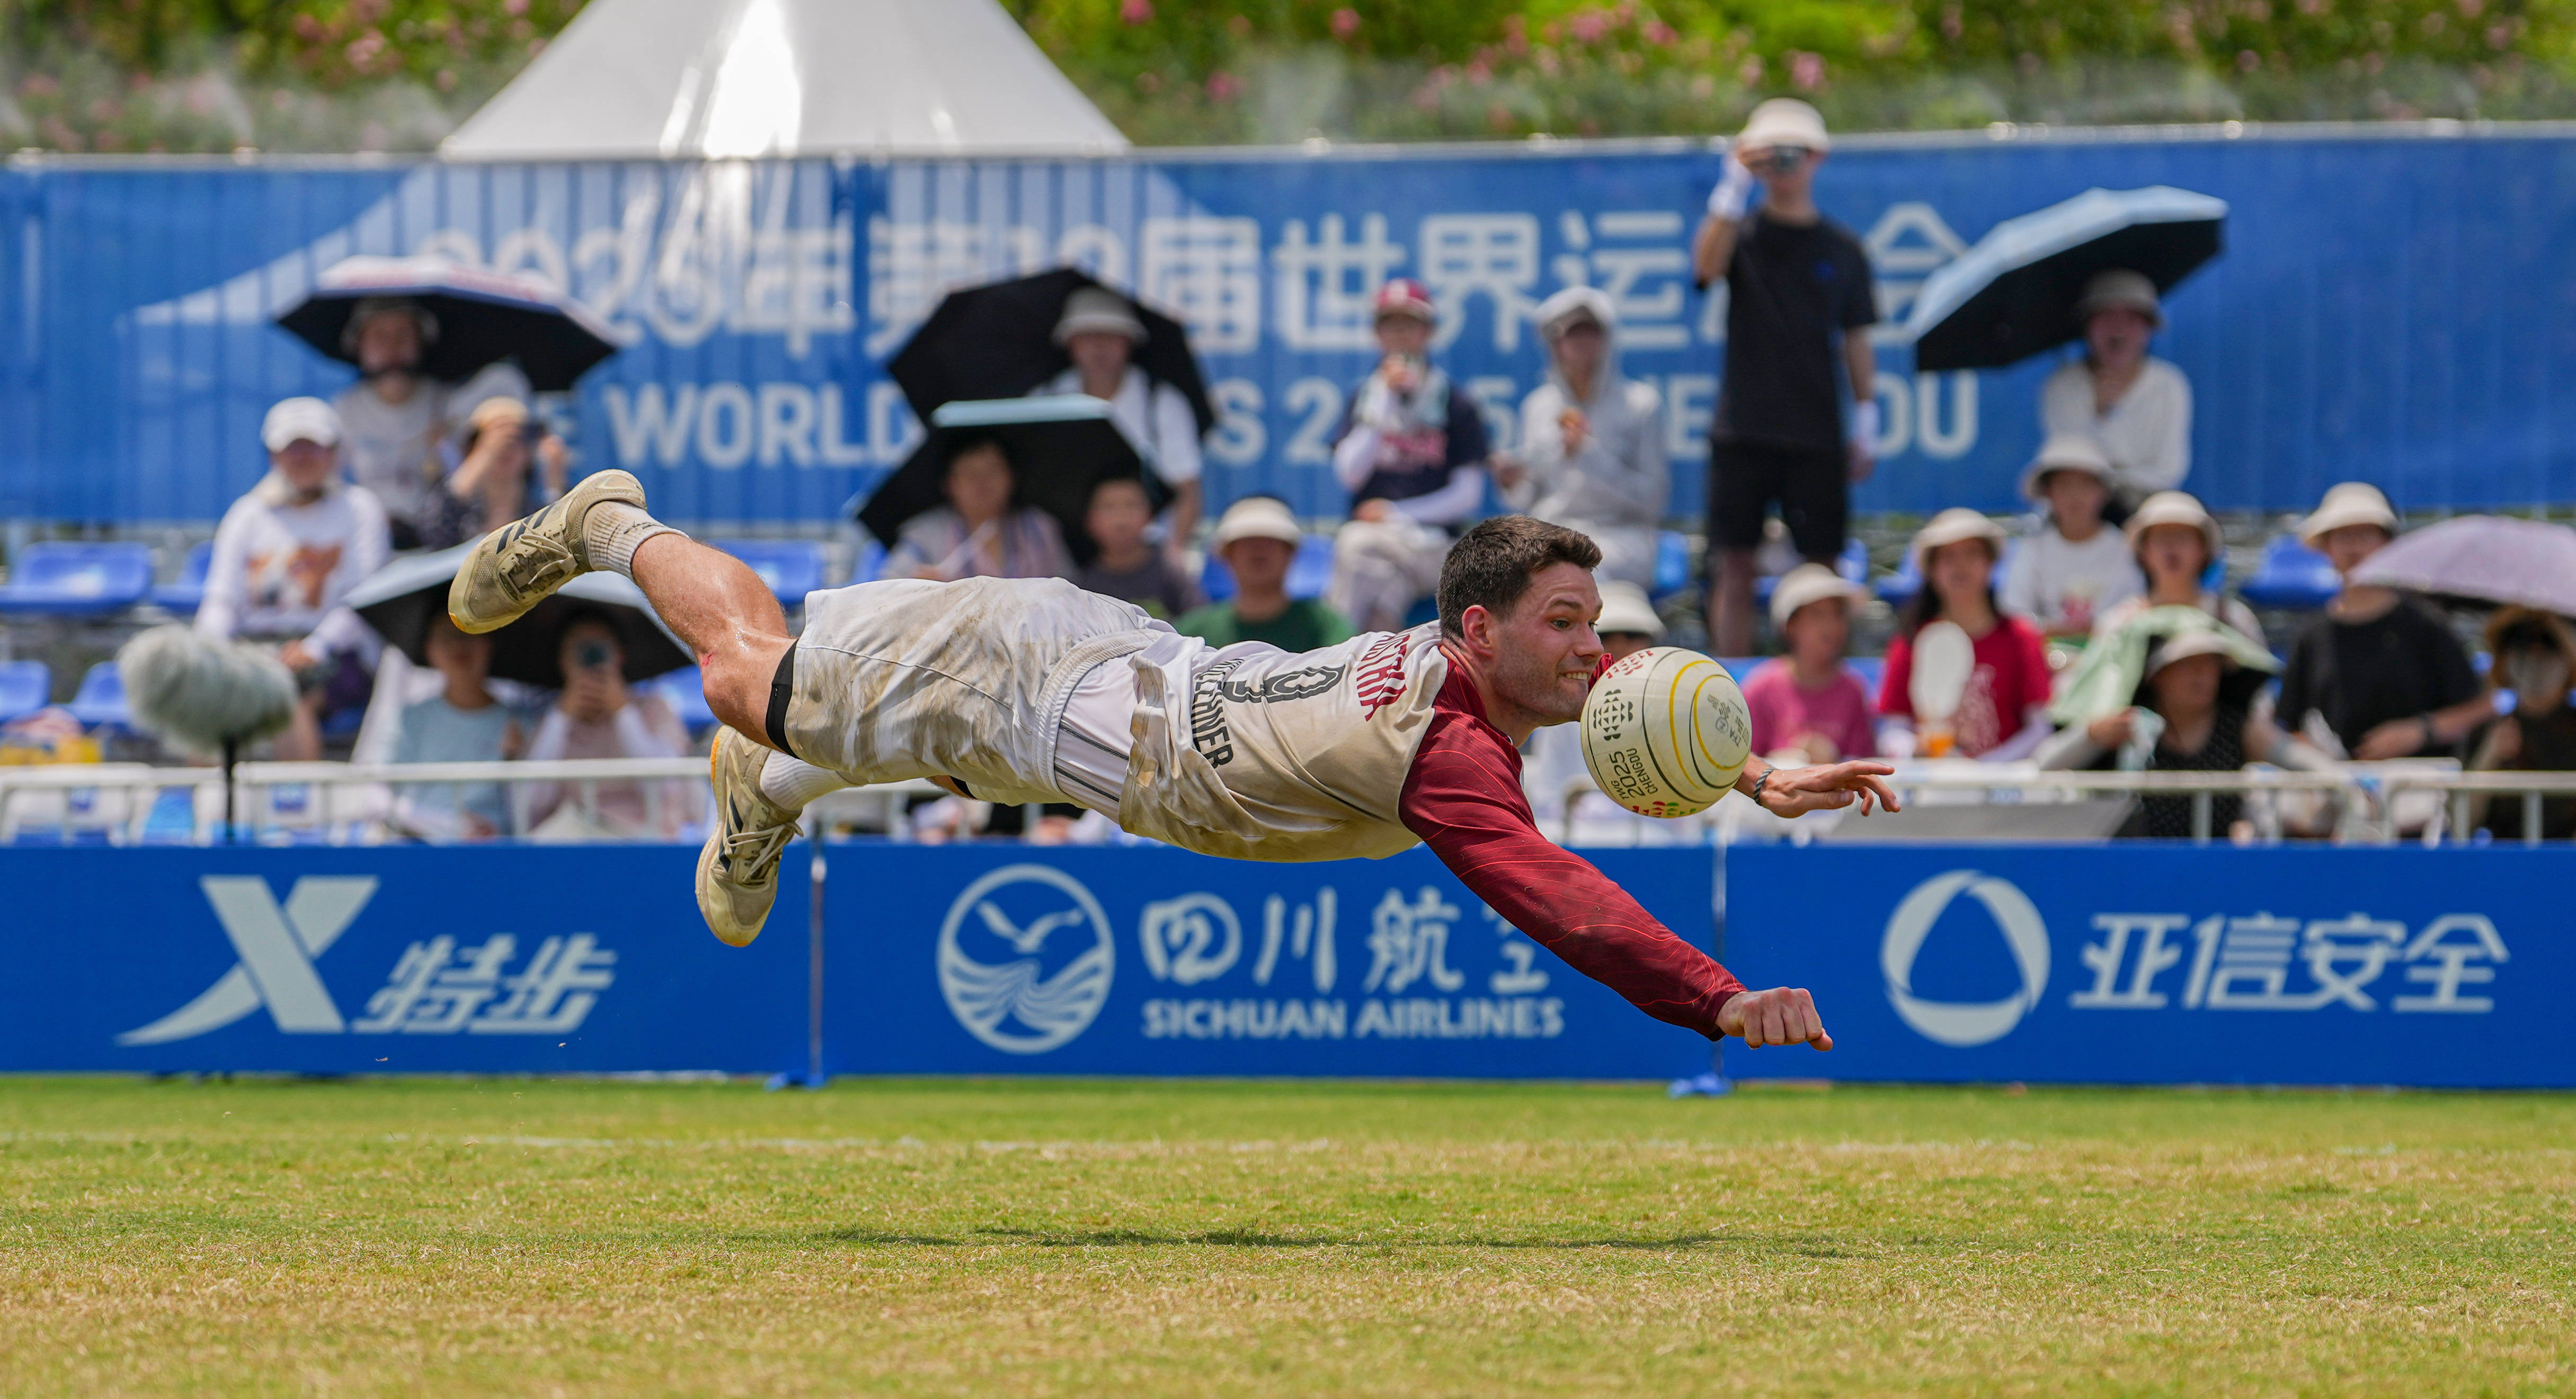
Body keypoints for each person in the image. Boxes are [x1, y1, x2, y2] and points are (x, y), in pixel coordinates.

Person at [451, 480, 1902, 1053]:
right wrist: (1713, 994)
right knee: (746, 677)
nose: (1596, 651)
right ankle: (606, 529)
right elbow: (1552, 892)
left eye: (1598, 625)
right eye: (1567, 622)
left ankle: (758, 797)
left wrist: (1750, 774)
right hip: (1041, 686)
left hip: (1103, 664)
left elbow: (1617, 717)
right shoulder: (1445, 752)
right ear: (1478, 628)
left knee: (826, 731)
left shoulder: (1476, 683)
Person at [1690, 99, 1880, 657]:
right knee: (1733, 561)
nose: (1784, 164)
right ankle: (1731, 687)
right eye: (1771, 154)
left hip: (1815, 427)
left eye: (1793, 152)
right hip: (1742, 426)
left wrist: (1865, 421)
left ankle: (1818, 683)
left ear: (1818, 157)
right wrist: (1732, 183)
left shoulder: (1842, 249)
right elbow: (1704, 266)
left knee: (1820, 565)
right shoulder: (1740, 234)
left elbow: (1856, 338)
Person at [198, 397, 392, 760]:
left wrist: (314, 648)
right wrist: (210, 652)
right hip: (254, 647)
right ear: (274, 456)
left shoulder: (360, 509)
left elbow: (362, 599)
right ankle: (205, 808)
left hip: (335, 654)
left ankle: (297, 813)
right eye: (292, 448)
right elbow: (222, 599)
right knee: (203, 703)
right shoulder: (246, 514)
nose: (302, 458)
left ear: (334, 453)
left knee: (287, 700)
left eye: (313, 447)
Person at [2033, 624, 2309, 839]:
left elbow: (2305, 763)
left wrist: (2347, 776)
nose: (2201, 674)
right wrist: (2090, 736)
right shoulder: (2128, 724)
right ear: (2157, 675)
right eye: (2187, 664)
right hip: (2138, 875)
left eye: (2210, 664)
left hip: (2213, 874)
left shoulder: (2240, 729)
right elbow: (2045, 765)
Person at [1327, 279, 1491, 634]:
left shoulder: (1455, 401)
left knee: (1357, 545)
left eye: (1410, 324)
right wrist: (1383, 400)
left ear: (1428, 332)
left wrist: (1395, 514)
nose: (1400, 334)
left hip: (1437, 546)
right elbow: (1350, 474)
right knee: (1382, 593)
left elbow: (1468, 496)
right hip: (1384, 553)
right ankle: (1382, 681)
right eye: (1390, 324)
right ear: (1377, 333)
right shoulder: (1365, 397)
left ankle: (1330, 664)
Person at [2279, 482, 2488, 760]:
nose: (2353, 546)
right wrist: (2322, 764)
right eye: (2343, 535)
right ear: (2327, 547)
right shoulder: (2310, 636)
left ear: (2387, 543)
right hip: (2333, 792)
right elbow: (2291, 722)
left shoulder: (2426, 625)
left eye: (2365, 534)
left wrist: (2419, 732)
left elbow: (2479, 706)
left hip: (2417, 789)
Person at [1493, 286, 1667, 589]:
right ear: (1555, 343)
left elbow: (1652, 500)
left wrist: (1588, 454)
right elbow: (1529, 498)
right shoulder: (1538, 406)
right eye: (1570, 333)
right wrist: (1512, 482)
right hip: (1550, 533)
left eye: (1590, 332)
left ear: (1606, 340)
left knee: (1585, 572)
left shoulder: (1642, 404)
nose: (1580, 343)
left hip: (1622, 537)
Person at [1875, 509, 2053, 760]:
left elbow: (2039, 729)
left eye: (1972, 554)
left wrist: (1989, 768)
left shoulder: (2021, 637)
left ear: (1991, 564)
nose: (1961, 566)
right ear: (1932, 570)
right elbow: (1893, 729)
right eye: (1949, 556)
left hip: (2006, 789)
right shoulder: (1910, 641)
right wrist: (1914, 749)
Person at [1035, 287, 1203, 551]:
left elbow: (1187, 491)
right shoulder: (1045, 399)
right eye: (1089, 337)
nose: (1100, 347)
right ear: (1070, 343)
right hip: (1062, 551)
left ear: (1129, 343)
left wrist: (1174, 555)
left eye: (1111, 336)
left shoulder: (1161, 402)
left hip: (1148, 550)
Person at [517, 612, 692, 840]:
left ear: (620, 654)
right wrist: (560, 718)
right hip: (570, 843)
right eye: (579, 649)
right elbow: (531, 801)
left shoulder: (655, 709)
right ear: (562, 660)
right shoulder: (548, 720)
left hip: (641, 841)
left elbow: (666, 789)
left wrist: (623, 712)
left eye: (599, 649)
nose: (590, 658)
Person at [1516, 580, 1668, 837]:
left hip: (1660, 840)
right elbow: (1549, 798)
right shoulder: (1562, 714)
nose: (1620, 646)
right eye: (1608, 635)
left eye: (1631, 635)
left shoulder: (1677, 710)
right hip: (1577, 839)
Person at [2038, 270, 2192, 517]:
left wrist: (2112, 485)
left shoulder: (2170, 384)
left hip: (2146, 510)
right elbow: (2066, 466)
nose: (2118, 328)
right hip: (2078, 515)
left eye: (2131, 318)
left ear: (2148, 328)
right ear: (2087, 326)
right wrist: (2101, 411)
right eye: (2107, 316)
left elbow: (2168, 471)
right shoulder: (2061, 385)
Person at [385, 615, 521, 840]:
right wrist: (442, 823)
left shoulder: (519, 722)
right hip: (421, 846)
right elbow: (379, 790)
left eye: (470, 632)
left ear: (488, 643)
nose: (458, 646)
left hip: (494, 853)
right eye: (447, 637)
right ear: (429, 649)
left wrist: (520, 756)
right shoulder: (410, 718)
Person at [328, 297, 450, 548]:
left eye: (403, 335)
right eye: (380, 336)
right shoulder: (343, 410)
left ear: (421, 341)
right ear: (358, 345)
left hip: (439, 542)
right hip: (366, 541)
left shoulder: (447, 402)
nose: (392, 346)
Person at [2001, 434, 2144, 639]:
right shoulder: (2033, 549)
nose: (2075, 496)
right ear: (2048, 493)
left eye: (2085, 485)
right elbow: (2015, 612)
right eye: (2065, 485)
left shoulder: (2124, 548)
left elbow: (2134, 609)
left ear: (2103, 492)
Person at [880, 433, 1075, 582]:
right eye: (970, 473)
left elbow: (1071, 590)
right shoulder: (925, 536)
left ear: (1011, 477)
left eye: (992, 470)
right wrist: (915, 587)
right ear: (950, 485)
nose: (982, 482)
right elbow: (886, 591)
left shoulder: (1041, 528)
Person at [1176, 497, 1354, 652]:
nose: (1258, 549)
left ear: (1290, 553)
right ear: (1227, 555)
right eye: (1247, 541)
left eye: (1270, 541)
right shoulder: (1193, 633)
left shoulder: (1325, 625)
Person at [1742, 563, 1876, 764]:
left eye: (1837, 614)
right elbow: (1743, 766)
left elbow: (1865, 760)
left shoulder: (1854, 690)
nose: (1831, 625)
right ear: (1791, 625)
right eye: (1817, 614)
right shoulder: (1761, 689)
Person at [2093, 490, 2263, 645]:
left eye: (2182, 538)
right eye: (2162, 539)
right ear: (2143, 552)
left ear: (2204, 550)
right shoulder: (2117, 625)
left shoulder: (2234, 620)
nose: (2172, 548)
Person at [2469, 606, 2576, 839]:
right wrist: (2490, 757)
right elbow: (2463, 820)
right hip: (2508, 861)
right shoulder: (2491, 730)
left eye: (2547, 649)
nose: (2534, 660)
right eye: (2521, 650)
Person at [417, 394, 572, 551]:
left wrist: (554, 478)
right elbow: (434, 531)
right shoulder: (461, 513)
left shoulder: (535, 509)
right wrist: (486, 453)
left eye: (518, 439)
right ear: (473, 448)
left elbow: (563, 540)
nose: (507, 447)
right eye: (494, 439)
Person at [1072, 475, 1199, 621]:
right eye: (1109, 507)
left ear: (1150, 514)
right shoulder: (1082, 587)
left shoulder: (1171, 571)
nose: (1121, 519)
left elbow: (1198, 623)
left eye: (1131, 505)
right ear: (1090, 520)